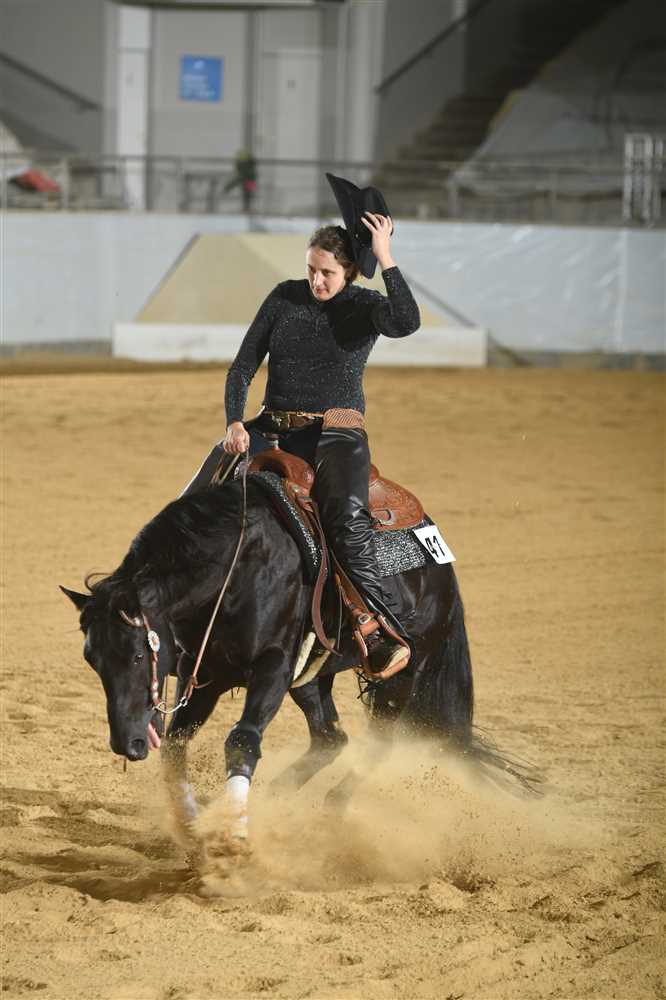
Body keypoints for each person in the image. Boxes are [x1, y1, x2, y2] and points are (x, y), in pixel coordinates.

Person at [222, 198, 420, 676]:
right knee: (205, 495)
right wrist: (234, 422)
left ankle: (374, 629)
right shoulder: (284, 297)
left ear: (349, 271)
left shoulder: (366, 307)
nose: (316, 281)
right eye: (311, 269)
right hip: (271, 429)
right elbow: (243, 366)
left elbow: (407, 322)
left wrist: (385, 256)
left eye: (327, 272)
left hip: (337, 435)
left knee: (346, 523)